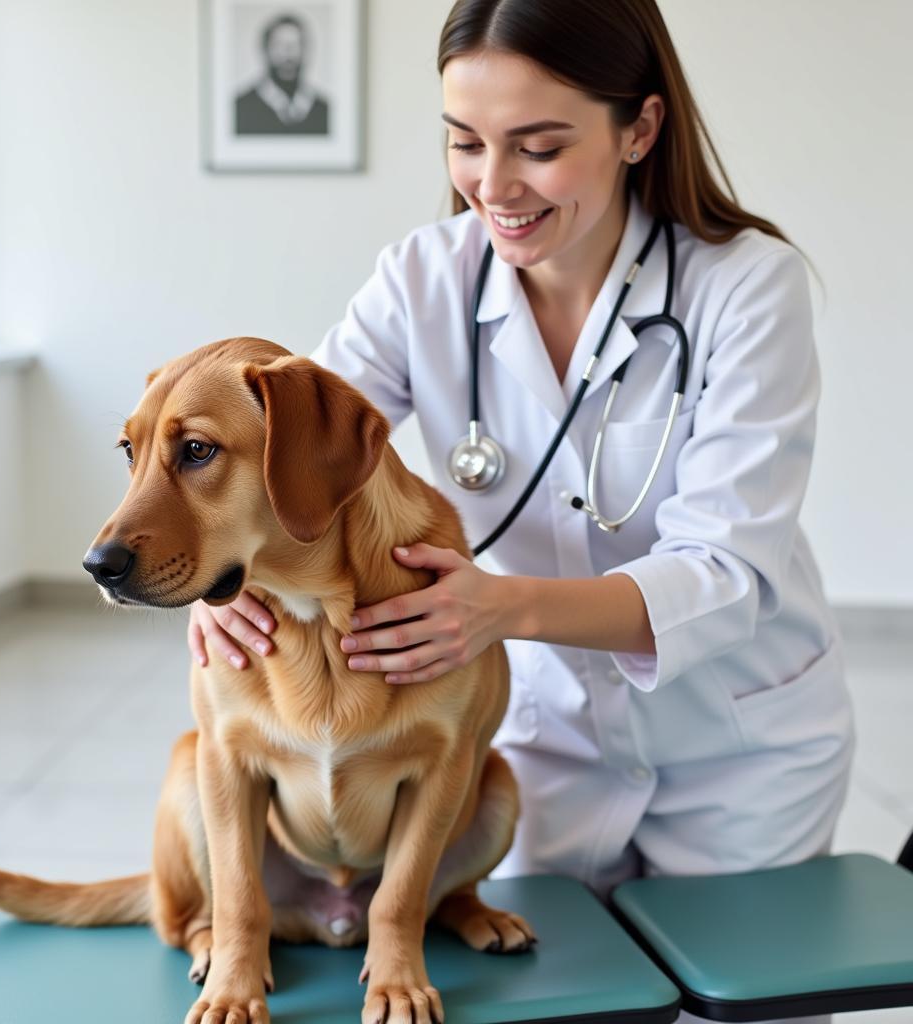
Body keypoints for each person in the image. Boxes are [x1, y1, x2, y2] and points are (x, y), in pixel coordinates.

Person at [193, 2, 853, 1020]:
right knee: (572, 997)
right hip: (549, 748)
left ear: (638, 128)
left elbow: (727, 572)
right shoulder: (423, 279)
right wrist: (216, 578)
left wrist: (499, 608)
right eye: (464, 142)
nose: (492, 186)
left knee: (731, 1003)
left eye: (538, 147)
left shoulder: (744, 288)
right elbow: (296, 461)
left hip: (740, 742)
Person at [234, 12, 329, 136]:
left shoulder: (323, 109)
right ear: (265, 50)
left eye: (295, 45)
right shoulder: (241, 107)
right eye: (279, 45)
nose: (288, 55)